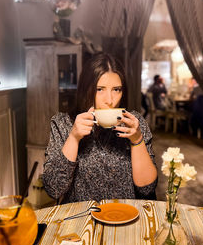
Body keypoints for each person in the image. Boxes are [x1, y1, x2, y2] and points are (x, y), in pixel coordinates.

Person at [42, 53, 158, 203]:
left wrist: (137, 140)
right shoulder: (63, 123)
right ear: (86, 89)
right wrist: (74, 138)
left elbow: (147, 188)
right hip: (83, 221)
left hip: (125, 217)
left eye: (116, 90)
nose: (109, 100)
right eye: (100, 89)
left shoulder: (134, 123)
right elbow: (53, 189)